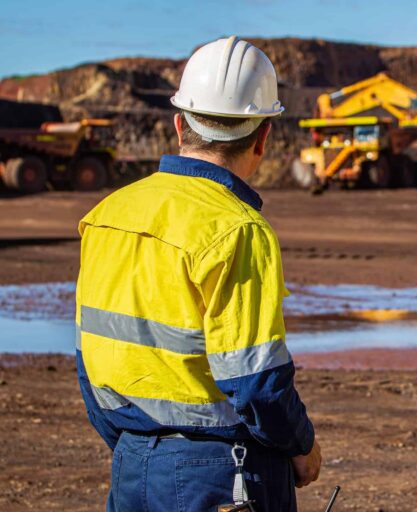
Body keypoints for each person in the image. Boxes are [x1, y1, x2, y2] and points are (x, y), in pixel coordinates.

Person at [75, 36, 321, 512]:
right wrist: (301, 447)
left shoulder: (108, 213)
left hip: (132, 460)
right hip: (224, 470)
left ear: (178, 124)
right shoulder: (238, 229)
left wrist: (138, 446)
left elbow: (89, 364)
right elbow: (255, 381)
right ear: (263, 136)